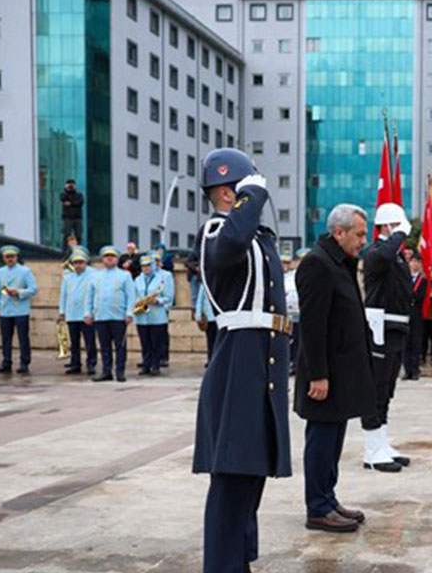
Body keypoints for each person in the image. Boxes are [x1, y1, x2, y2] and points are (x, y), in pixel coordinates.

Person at [193, 148, 292, 573]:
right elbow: (230, 245)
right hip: (238, 362)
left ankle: (239, 562)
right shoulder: (217, 232)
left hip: (262, 358)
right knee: (232, 479)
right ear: (230, 193)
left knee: (250, 474)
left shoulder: (252, 236)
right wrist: (251, 197)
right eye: (248, 189)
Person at [295, 203, 375, 533]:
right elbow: (313, 326)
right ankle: (317, 507)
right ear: (338, 232)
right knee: (321, 439)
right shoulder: (317, 264)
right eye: (359, 234)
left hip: (341, 371)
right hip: (325, 374)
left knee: (334, 439)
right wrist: (318, 375)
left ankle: (328, 497)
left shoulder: (339, 262)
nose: (364, 240)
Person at [361, 202, 412, 472]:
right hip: (380, 328)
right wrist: (398, 234)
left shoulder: (395, 254)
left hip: (396, 326)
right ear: (386, 226)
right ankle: (372, 450)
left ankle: (381, 443)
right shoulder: (375, 252)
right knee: (376, 389)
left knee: (387, 390)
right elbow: (382, 258)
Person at [90, 246, 136, 381]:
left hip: (118, 316)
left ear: (117, 259)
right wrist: (88, 312)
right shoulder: (96, 275)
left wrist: (129, 313)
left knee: (120, 346)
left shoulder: (125, 275)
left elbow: (131, 295)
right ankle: (106, 371)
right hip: (101, 315)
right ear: (103, 259)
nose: (109, 258)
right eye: (106, 256)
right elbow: (91, 295)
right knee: (104, 347)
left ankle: (120, 371)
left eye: (112, 256)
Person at [0, 246, 37, 374]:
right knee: (6, 338)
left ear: (16, 257)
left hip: (21, 309)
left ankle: (24, 362)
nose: (10, 259)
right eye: (7, 257)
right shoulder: (0, 272)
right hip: (6, 309)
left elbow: (33, 289)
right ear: (3, 258)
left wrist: (19, 292)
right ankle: (6, 361)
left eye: (12, 256)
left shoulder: (25, 271)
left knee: (23, 338)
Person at [133, 255, 173, 376]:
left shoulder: (163, 278)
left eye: (148, 265)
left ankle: (155, 365)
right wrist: (137, 304)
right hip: (142, 316)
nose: (146, 268)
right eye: (143, 266)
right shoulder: (138, 279)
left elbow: (169, 297)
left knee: (156, 342)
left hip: (157, 315)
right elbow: (134, 295)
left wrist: (158, 301)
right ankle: (146, 365)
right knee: (145, 342)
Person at [59, 250, 97, 375]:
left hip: (86, 314)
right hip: (72, 313)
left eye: (81, 262)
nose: (78, 265)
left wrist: (92, 312)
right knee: (74, 342)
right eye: (75, 263)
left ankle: (91, 364)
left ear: (85, 263)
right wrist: (62, 311)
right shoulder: (68, 277)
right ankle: (75, 364)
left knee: (89, 341)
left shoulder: (93, 275)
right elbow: (63, 295)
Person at [403, 254, 427, 381]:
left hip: (417, 313)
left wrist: (410, 295)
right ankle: (407, 371)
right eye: (413, 261)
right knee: (405, 342)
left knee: (416, 342)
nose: (415, 264)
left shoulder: (423, 279)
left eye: (418, 262)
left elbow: (420, 296)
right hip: (406, 311)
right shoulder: (405, 277)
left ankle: (415, 370)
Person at [60, 179, 84, 247]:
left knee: (78, 235)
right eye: (69, 184)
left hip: (77, 218)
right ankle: (65, 251)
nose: (70, 186)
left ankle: (79, 249)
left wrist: (71, 203)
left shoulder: (79, 194)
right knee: (66, 235)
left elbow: (79, 202)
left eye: (72, 185)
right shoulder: (63, 194)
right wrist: (67, 190)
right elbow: (63, 199)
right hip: (67, 218)